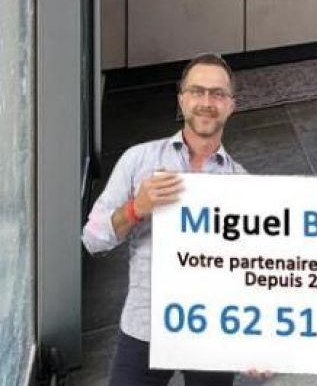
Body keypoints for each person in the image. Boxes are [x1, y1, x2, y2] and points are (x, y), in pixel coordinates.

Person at [83, 53, 247, 386]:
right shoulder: (138, 160)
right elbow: (93, 238)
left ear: (231, 105)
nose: (206, 102)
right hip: (146, 328)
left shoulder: (243, 184)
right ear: (181, 99)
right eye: (197, 91)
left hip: (211, 330)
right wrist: (135, 208)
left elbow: (253, 272)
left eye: (217, 94)